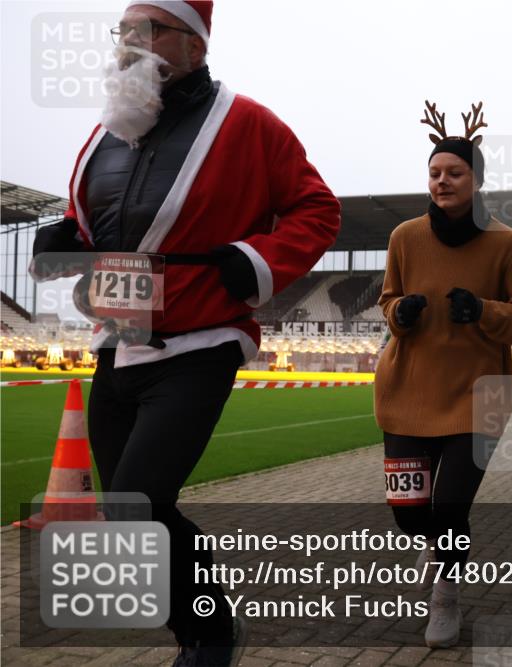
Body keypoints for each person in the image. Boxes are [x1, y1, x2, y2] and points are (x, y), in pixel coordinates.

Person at [30, 2, 341, 664]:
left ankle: (212, 633)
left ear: (195, 46)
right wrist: (66, 239)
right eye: (124, 32)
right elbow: (98, 223)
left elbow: (318, 209)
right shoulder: (108, 132)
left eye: (149, 30)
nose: (130, 44)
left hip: (200, 340)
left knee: (140, 499)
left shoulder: (248, 123)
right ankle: (195, 631)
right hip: (117, 340)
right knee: (123, 513)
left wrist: (255, 260)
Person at [374, 101, 512, 649]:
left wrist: (486, 312)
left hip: (478, 400)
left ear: (477, 180)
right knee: (407, 513)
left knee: (449, 509)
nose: (441, 181)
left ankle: (447, 593)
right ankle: (443, 547)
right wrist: (401, 313)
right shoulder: (404, 236)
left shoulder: (508, 244)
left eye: (454, 172)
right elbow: (387, 301)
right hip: (407, 395)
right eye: (434, 173)